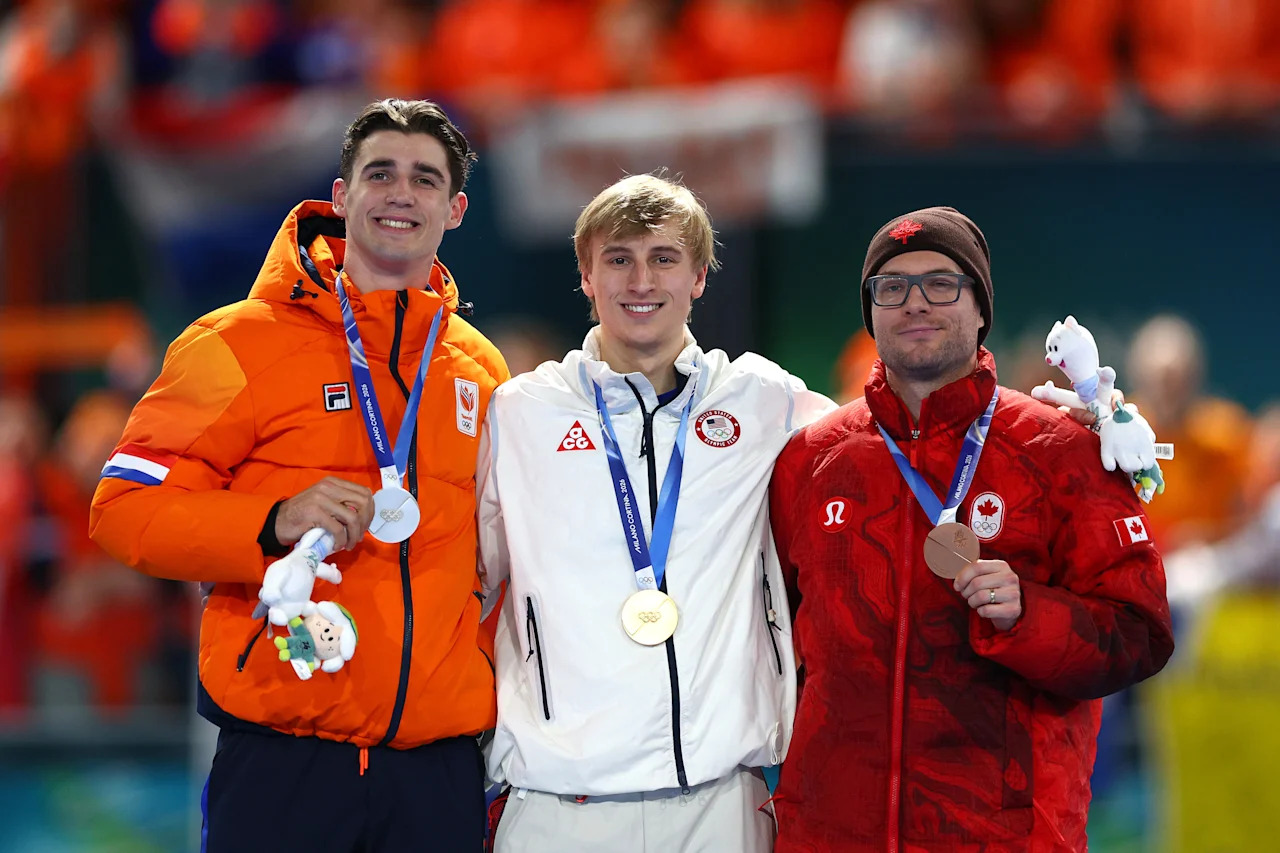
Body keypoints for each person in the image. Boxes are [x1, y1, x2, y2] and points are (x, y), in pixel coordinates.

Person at [88, 99, 509, 852]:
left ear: (457, 207)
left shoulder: (481, 367)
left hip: (438, 768)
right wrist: (269, 518)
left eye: (424, 178)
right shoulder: (234, 341)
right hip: (285, 754)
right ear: (342, 196)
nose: (400, 193)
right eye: (379, 173)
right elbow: (122, 510)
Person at [768, 206, 1174, 851]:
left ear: (981, 307)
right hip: (833, 828)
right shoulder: (809, 460)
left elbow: (1140, 633)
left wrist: (1028, 615)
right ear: (870, 310)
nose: (915, 303)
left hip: (1003, 831)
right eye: (891, 287)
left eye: (942, 283)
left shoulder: (1061, 451)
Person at [477, 173, 834, 852]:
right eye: (619, 259)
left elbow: (892, 438)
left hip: (721, 800)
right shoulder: (520, 412)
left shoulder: (760, 399)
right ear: (586, 276)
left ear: (699, 276)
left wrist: (1060, 424)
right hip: (561, 803)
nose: (641, 280)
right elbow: (469, 570)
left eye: (663, 258)